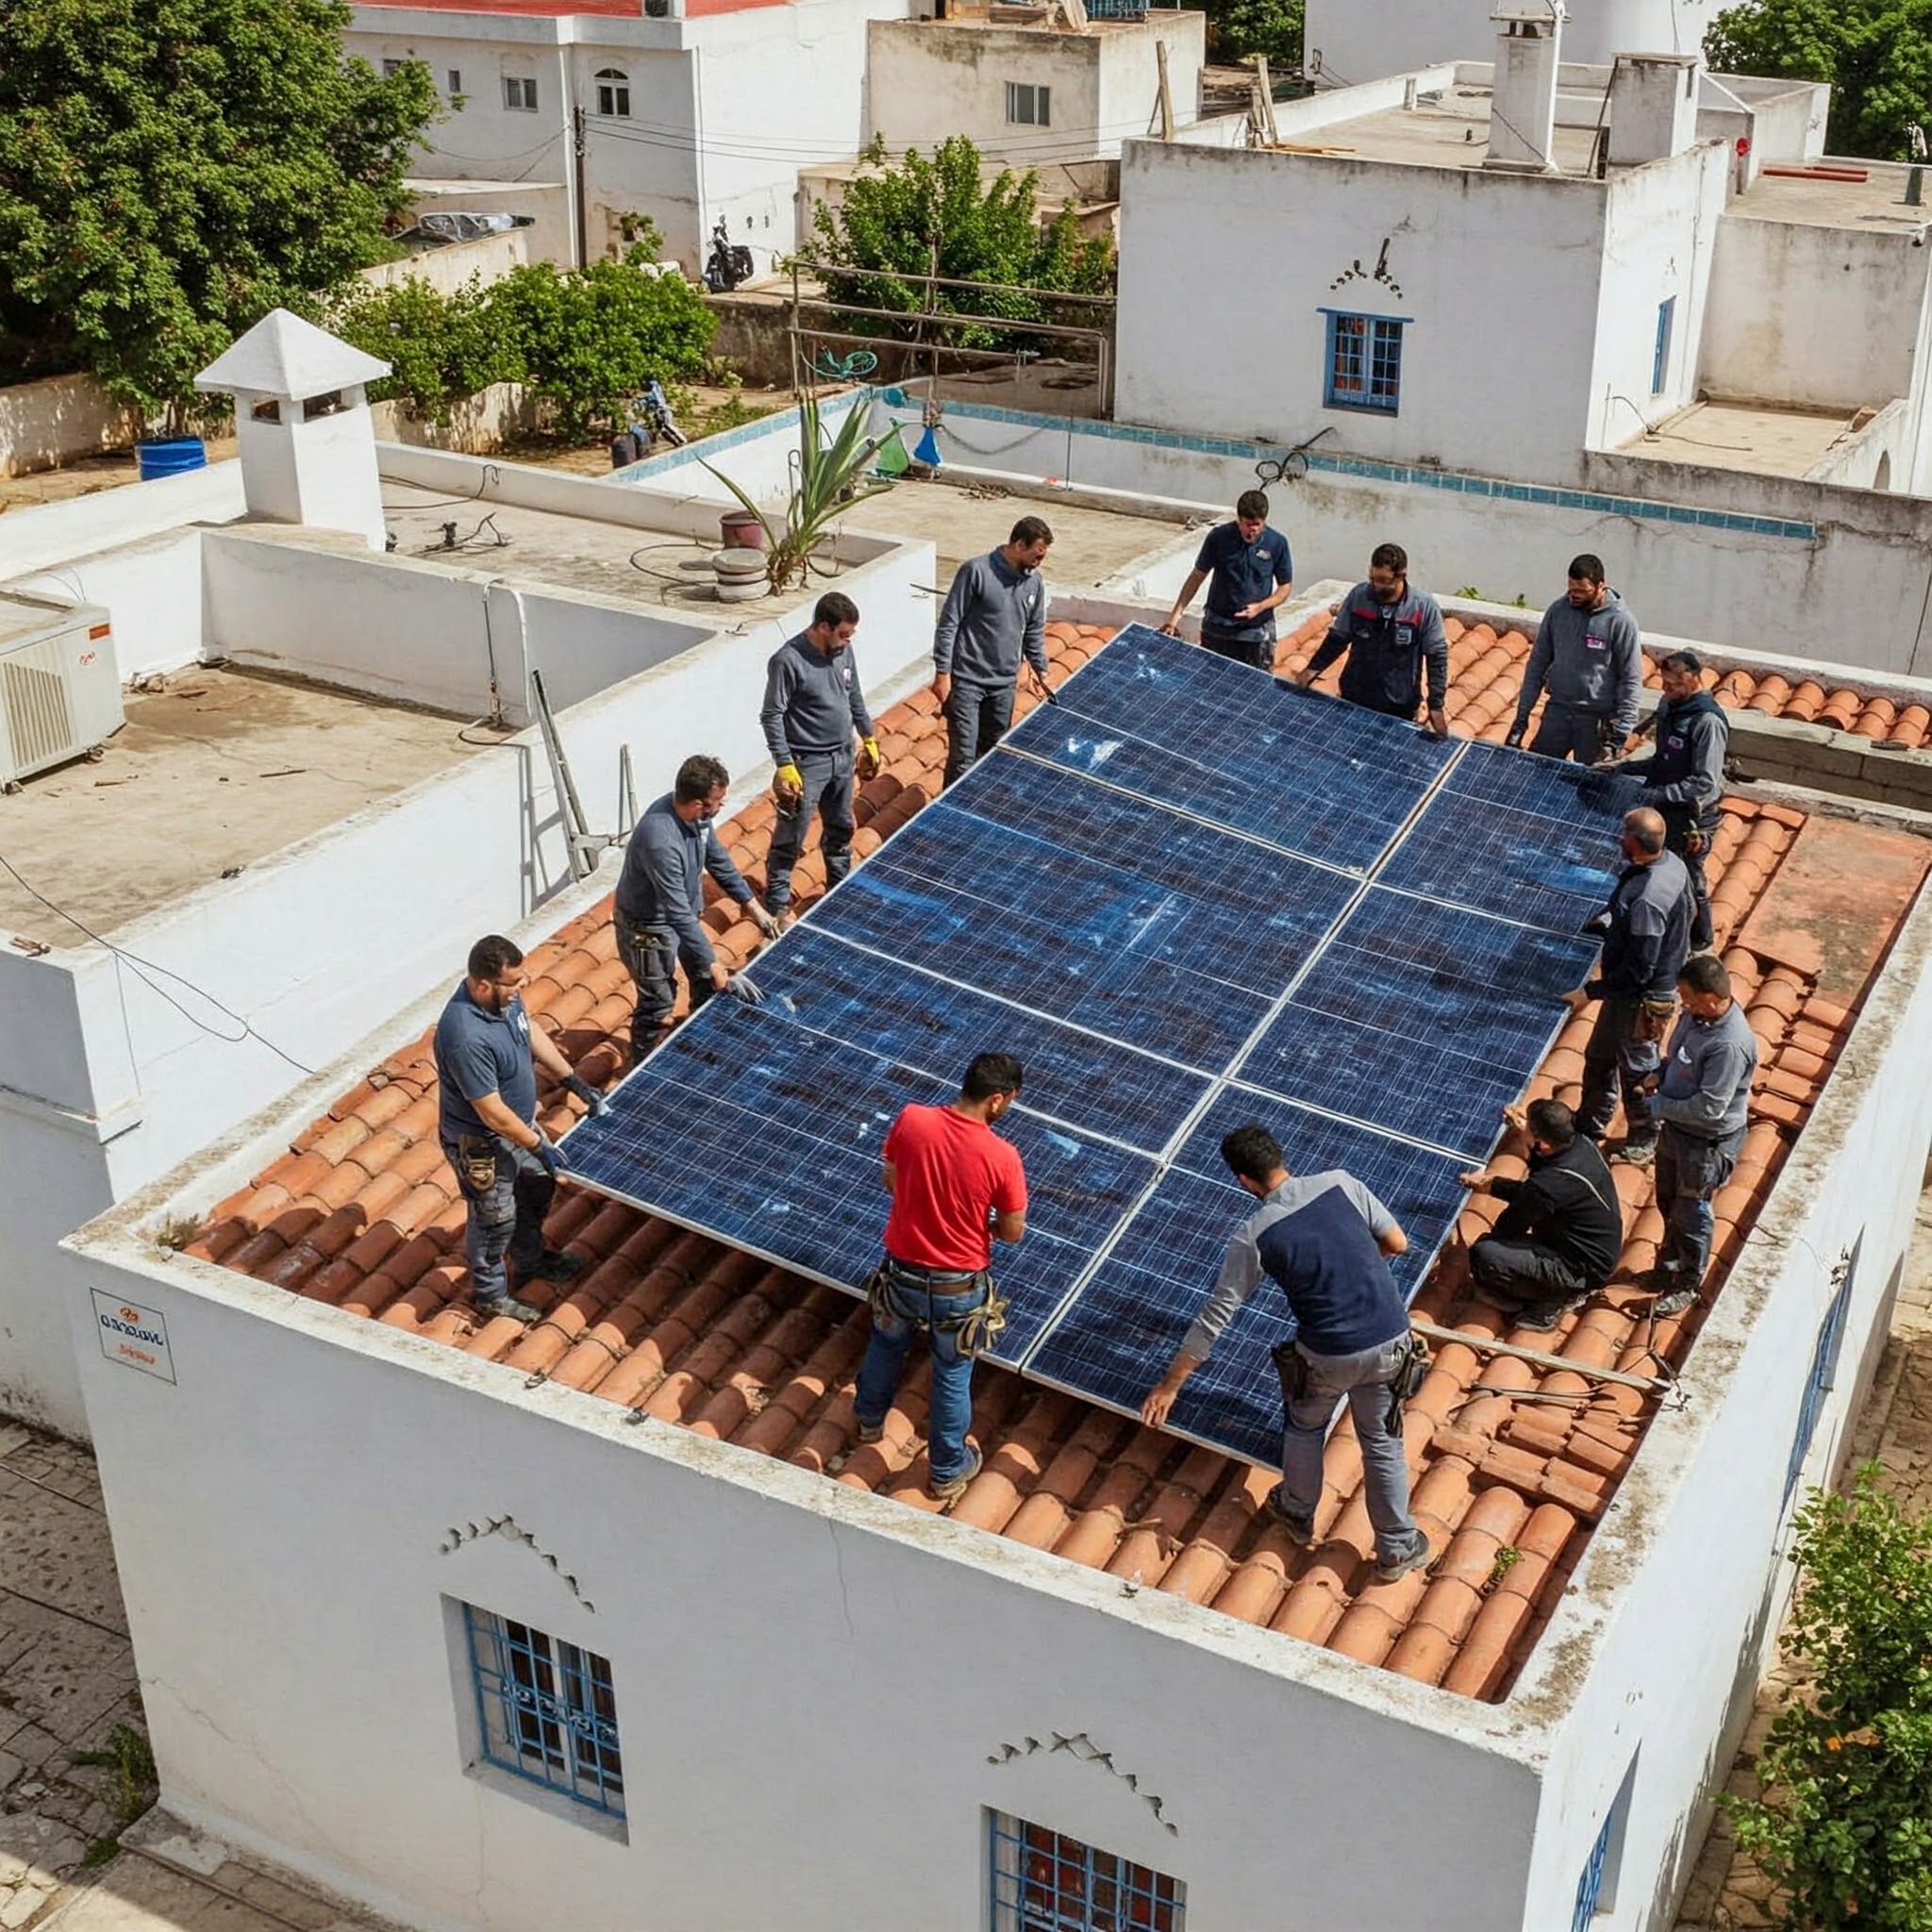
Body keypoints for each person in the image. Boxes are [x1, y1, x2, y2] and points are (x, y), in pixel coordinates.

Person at [1141, 1124, 1434, 1584]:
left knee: (1304, 1426)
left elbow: (1217, 1314)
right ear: (1281, 1158)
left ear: (1243, 1180)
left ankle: (1296, 1511)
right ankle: (1397, 1547)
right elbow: (1397, 1244)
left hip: (1329, 1354)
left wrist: (1170, 1384)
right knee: (1382, 1443)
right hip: (1391, 1338)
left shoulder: (1255, 1235)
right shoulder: (1343, 1183)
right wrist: (1350, 1271)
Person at [852, 1054, 1029, 1502]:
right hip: (957, 1289)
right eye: (1009, 1102)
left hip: (901, 1273)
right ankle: (947, 1470)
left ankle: (869, 1420)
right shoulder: (1002, 1156)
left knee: (885, 1342)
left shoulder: (912, 1119)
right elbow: (1012, 1232)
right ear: (996, 1100)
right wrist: (979, 1224)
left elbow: (889, 1176)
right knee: (952, 1375)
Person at [434, 934, 607, 1324]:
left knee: (539, 1184)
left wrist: (572, 1081)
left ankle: (530, 1260)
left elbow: (533, 1035)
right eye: (513, 984)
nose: (520, 990)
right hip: (481, 1142)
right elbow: (491, 1111)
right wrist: (537, 1144)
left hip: (521, 1128)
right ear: (483, 985)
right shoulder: (464, 1036)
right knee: (495, 1217)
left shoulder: (506, 1000)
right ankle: (490, 1294)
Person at [614, 755, 778, 1059]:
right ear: (698, 804)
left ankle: (702, 1040)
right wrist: (714, 963)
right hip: (646, 929)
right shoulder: (660, 840)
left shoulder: (699, 821)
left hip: (685, 914)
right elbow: (674, 910)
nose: (723, 805)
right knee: (659, 1000)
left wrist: (753, 907)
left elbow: (717, 860)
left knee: (704, 983)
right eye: (718, 800)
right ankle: (640, 1063)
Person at [1566, 807, 1695, 1166]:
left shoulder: (1649, 901)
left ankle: (1644, 1137)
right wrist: (1610, 918)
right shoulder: (1671, 864)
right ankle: (1591, 1121)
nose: (1618, 839)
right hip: (1626, 993)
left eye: (1624, 835)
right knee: (1599, 1056)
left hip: (1642, 999)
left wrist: (1589, 993)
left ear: (1636, 843)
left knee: (1637, 1070)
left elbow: (1640, 969)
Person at [1645, 954, 1758, 1316]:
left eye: (1689, 997)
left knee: (1691, 1212)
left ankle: (1687, 1284)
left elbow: (1710, 1108)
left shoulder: (1729, 1045)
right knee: (1666, 1200)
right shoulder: (1696, 1018)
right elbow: (1678, 1059)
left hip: (1705, 1143)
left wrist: (1658, 1106)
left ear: (1712, 998)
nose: (1683, 1003)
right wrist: (1661, 1075)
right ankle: (1669, 1266)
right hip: (1677, 1131)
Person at [759, 591, 881, 925]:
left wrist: (867, 737)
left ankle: (839, 887)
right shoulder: (788, 661)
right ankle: (778, 904)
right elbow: (772, 715)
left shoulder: (844, 651)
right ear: (823, 626)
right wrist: (784, 763)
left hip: (843, 756)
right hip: (807, 762)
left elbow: (853, 694)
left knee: (841, 827)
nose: (847, 641)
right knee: (792, 836)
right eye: (842, 634)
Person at [1459, 1099, 1624, 1331]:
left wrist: (1491, 1240)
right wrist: (1493, 1184)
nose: (1522, 1127)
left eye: (1528, 1128)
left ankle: (1552, 1299)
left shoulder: (1550, 1185)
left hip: (1578, 1269)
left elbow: (1511, 1224)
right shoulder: (1581, 1144)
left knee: (1485, 1254)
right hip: (1590, 1249)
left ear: (1543, 1144)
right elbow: (1536, 1190)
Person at [1616, 650, 1729, 953]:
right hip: (1664, 808)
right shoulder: (1668, 707)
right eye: (1664, 684)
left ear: (1693, 680)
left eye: (1673, 685)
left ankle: (1700, 940)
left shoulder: (1707, 722)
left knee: (1689, 878)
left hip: (1693, 816)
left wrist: (1663, 794)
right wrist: (1626, 768)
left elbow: (1705, 781)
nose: (1666, 691)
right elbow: (1662, 759)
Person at [932, 516, 1054, 786]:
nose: (1038, 563)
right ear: (1020, 545)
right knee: (963, 758)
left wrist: (1041, 669)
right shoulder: (976, 571)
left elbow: (1033, 630)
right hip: (968, 683)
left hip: (1003, 687)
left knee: (992, 755)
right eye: (1036, 556)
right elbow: (949, 622)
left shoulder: (1034, 584)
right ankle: (954, 814)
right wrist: (943, 673)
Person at [1295, 542, 1450, 738]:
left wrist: (1436, 705)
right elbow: (1338, 638)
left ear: (1402, 575)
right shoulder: (1359, 597)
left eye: (1384, 581)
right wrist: (1312, 669)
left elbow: (1437, 657)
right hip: (1354, 699)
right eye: (1373, 579)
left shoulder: (1423, 608)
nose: (1377, 586)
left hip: (1398, 707)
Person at [1507, 555, 1643, 763]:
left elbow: (1631, 679)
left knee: (1589, 786)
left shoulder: (1621, 621)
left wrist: (1619, 736)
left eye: (1581, 591)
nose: (1574, 596)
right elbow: (1537, 664)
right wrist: (1521, 718)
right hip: (1558, 713)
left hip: (1596, 721)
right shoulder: (1558, 611)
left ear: (1600, 586)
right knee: (1537, 772)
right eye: (1571, 589)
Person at [1159, 488, 1295, 669]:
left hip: (1255, 633)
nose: (1253, 530)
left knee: (1251, 688)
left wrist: (1260, 607)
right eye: (1248, 524)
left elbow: (1285, 587)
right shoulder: (1219, 538)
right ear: (1238, 519)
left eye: (1257, 524)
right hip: (1217, 629)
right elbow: (1197, 577)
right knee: (1211, 683)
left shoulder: (1277, 543)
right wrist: (1174, 618)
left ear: (1264, 520)